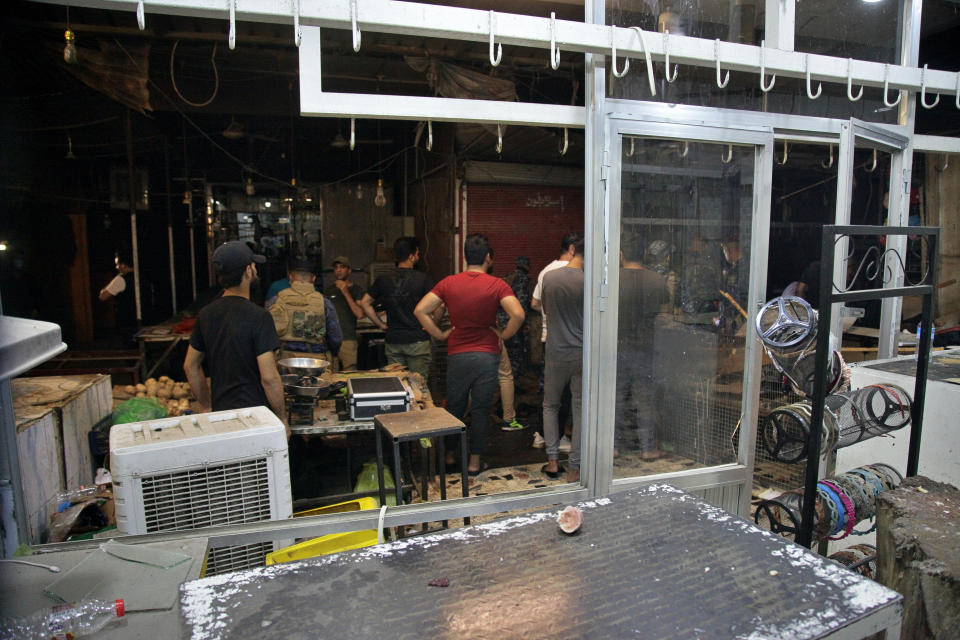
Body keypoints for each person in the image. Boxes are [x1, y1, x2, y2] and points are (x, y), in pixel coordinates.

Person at [414, 234, 524, 476]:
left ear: (465, 257)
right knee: (481, 410)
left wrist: (440, 335)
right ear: (488, 257)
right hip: (486, 355)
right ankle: (474, 462)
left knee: (454, 406)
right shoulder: (497, 285)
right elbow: (518, 314)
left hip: (458, 355)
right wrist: (503, 335)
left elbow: (421, 310)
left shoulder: (448, 283)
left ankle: (450, 455)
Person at [183, 241, 288, 434]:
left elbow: (190, 365)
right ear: (248, 271)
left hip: (222, 416)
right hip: (256, 417)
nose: (256, 270)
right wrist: (282, 418)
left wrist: (207, 405)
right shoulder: (259, 316)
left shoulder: (206, 314)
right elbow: (269, 378)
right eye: (254, 266)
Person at [616, 232, 669, 460]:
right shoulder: (657, 280)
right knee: (645, 398)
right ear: (645, 254)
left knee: (616, 397)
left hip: (617, 347)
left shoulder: (612, 279)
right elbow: (666, 315)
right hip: (646, 347)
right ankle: (648, 448)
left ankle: (613, 446)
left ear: (621, 255)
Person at [541, 235, 585, 484]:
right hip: (581, 353)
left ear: (571, 250)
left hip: (556, 352)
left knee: (551, 405)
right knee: (579, 409)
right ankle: (574, 470)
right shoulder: (589, 281)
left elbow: (546, 309)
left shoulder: (550, 278)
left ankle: (552, 460)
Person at [360, 237, 434, 382]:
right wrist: (431, 325)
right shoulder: (423, 279)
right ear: (411, 257)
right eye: (417, 254)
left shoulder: (383, 279)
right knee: (419, 386)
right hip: (418, 341)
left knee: (398, 386)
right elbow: (440, 306)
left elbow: (364, 303)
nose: (418, 257)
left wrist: (380, 324)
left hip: (393, 341)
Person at [530, 233, 580, 450]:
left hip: (548, 338)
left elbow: (534, 303)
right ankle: (560, 438)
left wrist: (551, 314)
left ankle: (541, 434)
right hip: (571, 341)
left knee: (547, 392)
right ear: (572, 249)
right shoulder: (580, 273)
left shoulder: (545, 272)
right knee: (568, 394)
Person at [266, 257, 343, 362]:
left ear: (291, 277)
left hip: (285, 361)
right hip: (317, 361)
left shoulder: (276, 300)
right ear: (314, 278)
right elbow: (335, 337)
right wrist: (333, 352)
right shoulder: (324, 303)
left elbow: (265, 334)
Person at [323, 256, 364, 371]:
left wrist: (345, 292)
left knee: (350, 373)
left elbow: (359, 314)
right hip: (330, 340)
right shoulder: (329, 291)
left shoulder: (356, 290)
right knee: (329, 373)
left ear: (349, 270)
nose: (339, 270)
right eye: (336, 268)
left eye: (342, 267)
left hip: (347, 338)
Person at [98, 252, 137, 344]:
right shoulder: (142, 276)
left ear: (123, 265)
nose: (116, 268)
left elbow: (103, 296)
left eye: (117, 264)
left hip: (127, 320)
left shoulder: (121, 279)